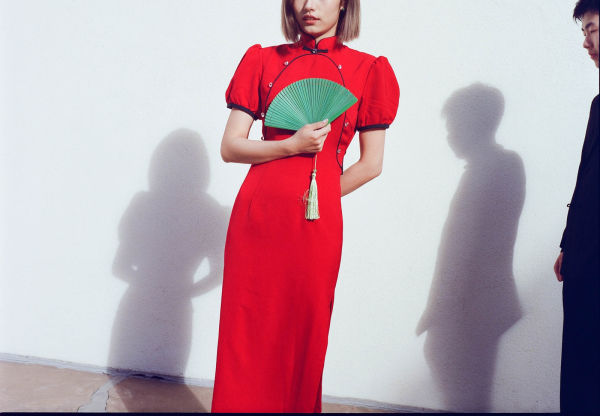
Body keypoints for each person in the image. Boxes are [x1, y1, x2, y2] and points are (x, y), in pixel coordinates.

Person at [211, 0, 399, 412]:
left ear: (345, 4)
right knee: (247, 329)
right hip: (257, 216)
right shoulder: (262, 60)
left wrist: (319, 197)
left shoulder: (369, 69)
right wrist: (291, 145)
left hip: (315, 223)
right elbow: (230, 147)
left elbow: (371, 165)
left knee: (304, 332)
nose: (309, 5)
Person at [553, 0, 599, 412]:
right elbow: (587, 181)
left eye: (593, 29)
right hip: (585, 257)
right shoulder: (599, 105)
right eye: (584, 32)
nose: (586, 42)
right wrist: (569, 244)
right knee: (581, 364)